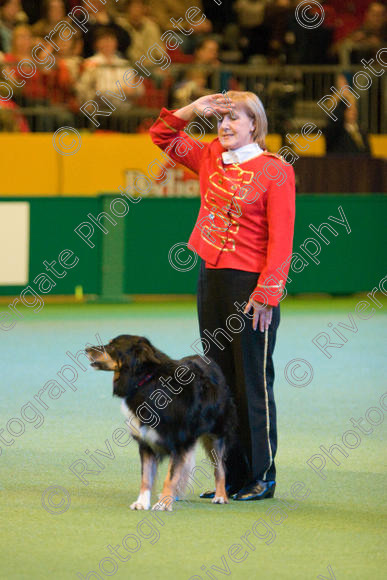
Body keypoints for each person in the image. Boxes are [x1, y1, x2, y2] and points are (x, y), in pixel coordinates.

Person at [150, 91, 295, 501]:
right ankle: (228, 478)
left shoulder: (275, 170)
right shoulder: (211, 156)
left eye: (236, 119)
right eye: (221, 120)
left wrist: (267, 293)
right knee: (220, 383)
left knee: (252, 382)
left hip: (251, 287)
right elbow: (161, 133)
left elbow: (282, 240)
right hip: (211, 278)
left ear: (256, 124)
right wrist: (193, 109)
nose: (226, 126)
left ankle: (261, 477)